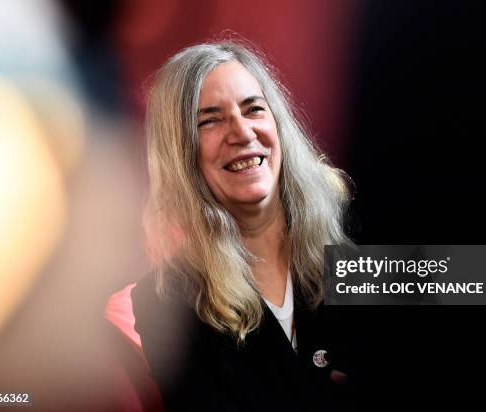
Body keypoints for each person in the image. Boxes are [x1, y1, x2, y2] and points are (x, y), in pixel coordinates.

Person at [132, 40, 356, 412]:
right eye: (210, 120)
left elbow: (478, 285)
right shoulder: (168, 302)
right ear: (180, 152)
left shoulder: (352, 222)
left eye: (253, 109)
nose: (242, 132)